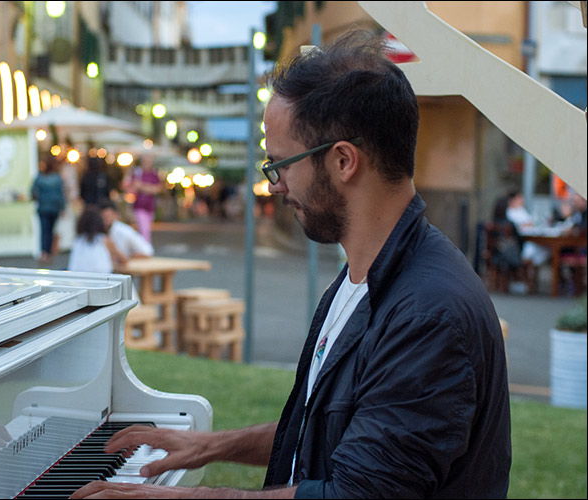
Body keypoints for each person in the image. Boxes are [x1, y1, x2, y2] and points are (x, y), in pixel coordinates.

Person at [70, 31, 510, 499]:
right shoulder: (365, 276)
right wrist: (209, 445)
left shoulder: (428, 316)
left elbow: (356, 493)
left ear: (343, 161)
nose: (275, 185)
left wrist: (177, 496)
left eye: (281, 164)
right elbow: (327, 429)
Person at [98, 198, 154, 268]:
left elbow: (147, 252)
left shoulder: (122, 231)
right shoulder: (102, 230)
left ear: (116, 215)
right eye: (102, 217)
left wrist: (127, 257)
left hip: (128, 265)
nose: (105, 220)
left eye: (107, 217)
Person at [67, 204, 120, 274]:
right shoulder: (104, 239)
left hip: (78, 276)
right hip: (102, 277)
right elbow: (122, 259)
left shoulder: (78, 240)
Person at [31, 156, 66, 263]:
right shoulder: (57, 178)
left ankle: (44, 253)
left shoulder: (40, 177)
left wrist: (39, 198)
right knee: (50, 231)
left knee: (44, 231)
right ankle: (49, 253)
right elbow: (61, 194)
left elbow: (32, 191)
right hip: (54, 208)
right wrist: (63, 207)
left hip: (43, 207)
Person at [122, 154, 162, 243]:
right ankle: (146, 248)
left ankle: (144, 248)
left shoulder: (154, 174)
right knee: (144, 230)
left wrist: (141, 186)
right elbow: (127, 186)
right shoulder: (136, 173)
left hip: (150, 206)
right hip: (139, 205)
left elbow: (157, 189)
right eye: (145, 161)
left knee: (145, 229)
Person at [505, 190, 550, 267]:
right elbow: (522, 226)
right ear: (513, 200)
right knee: (533, 248)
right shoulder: (510, 212)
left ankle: (532, 269)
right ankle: (527, 265)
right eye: (519, 198)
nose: (522, 200)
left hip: (531, 236)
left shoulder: (521, 210)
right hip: (520, 241)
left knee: (546, 247)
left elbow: (530, 222)